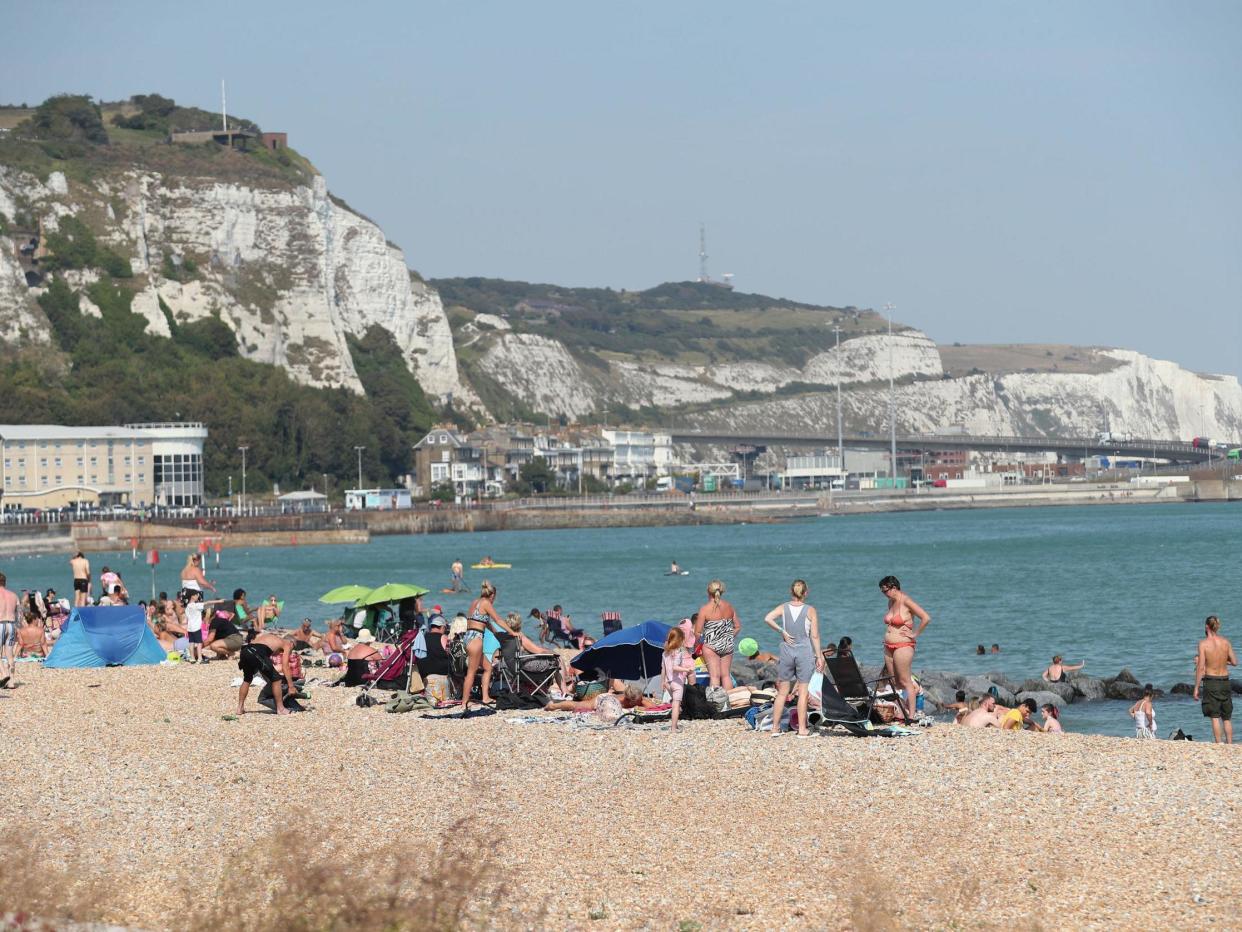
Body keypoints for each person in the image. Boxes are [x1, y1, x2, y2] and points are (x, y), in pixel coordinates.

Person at [763, 579, 824, 737]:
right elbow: (814, 635)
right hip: (804, 651)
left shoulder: (784, 607)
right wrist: (819, 656)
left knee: (782, 691)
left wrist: (782, 631)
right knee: (803, 691)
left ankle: (775, 728)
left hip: (786, 650)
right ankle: (802, 730)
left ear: (791, 592)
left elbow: (767, 618)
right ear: (806, 593)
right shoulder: (810, 610)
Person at [879, 576, 930, 723]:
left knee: (905, 680)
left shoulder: (906, 601)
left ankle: (912, 716)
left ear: (894, 587)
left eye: (885, 591)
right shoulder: (891, 602)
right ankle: (903, 711)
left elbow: (926, 617)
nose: (884, 594)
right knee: (895, 681)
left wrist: (914, 633)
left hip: (903, 646)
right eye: (882, 592)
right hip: (888, 646)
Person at [461, 581, 507, 711]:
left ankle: (485, 697)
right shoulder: (486, 603)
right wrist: (512, 632)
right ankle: (465, 702)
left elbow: (485, 623)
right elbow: (498, 620)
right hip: (476, 638)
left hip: (468, 636)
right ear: (492, 595)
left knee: (487, 667)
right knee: (471, 672)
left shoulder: (476, 602)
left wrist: (498, 634)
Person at [1194, 615, 1236, 745]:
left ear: (1207, 627)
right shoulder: (1225, 642)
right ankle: (1230, 744)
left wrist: (1196, 687)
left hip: (1212, 681)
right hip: (1225, 681)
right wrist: (1223, 661)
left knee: (1214, 716)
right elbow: (1234, 662)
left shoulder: (1203, 644)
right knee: (1227, 717)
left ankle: (1219, 743)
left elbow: (1201, 668)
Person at [695, 580, 741, 691]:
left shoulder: (704, 609)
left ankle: (716, 704)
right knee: (725, 676)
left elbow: (697, 632)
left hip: (711, 646)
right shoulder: (729, 606)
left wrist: (699, 643)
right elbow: (738, 626)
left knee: (715, 677)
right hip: (727, 644)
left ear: (708, 592)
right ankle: (729, 702)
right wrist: (728, 637)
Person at [237, 632, 297, 715]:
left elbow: (263, 660)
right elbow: (285, 666)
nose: (292, 650)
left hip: (245, 650)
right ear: (292, 643)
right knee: (277, 679)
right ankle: (281, 709)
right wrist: (291, 686)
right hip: (256, 651)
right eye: (294, 648)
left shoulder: (273, 638)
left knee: (247, 679)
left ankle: (239, 708)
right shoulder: (287, 643)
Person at [662, 626, 695, 731]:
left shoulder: (665, 653)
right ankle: (673, 728)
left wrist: (663, 682)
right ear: (679, 640)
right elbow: (675, 668)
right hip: (677, 682)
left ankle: (675, 724)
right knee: (676, 705)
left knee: (676, 704)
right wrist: (687, 670)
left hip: (669, 682)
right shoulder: (678, 652)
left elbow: (664, 668)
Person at [0, 572, 18, 681]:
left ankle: (4, 674)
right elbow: (19, 614)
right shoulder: (14, 595)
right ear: (5, 582)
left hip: (0, 624)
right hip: (11, 625)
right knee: (10, 655)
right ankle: (11, 682)